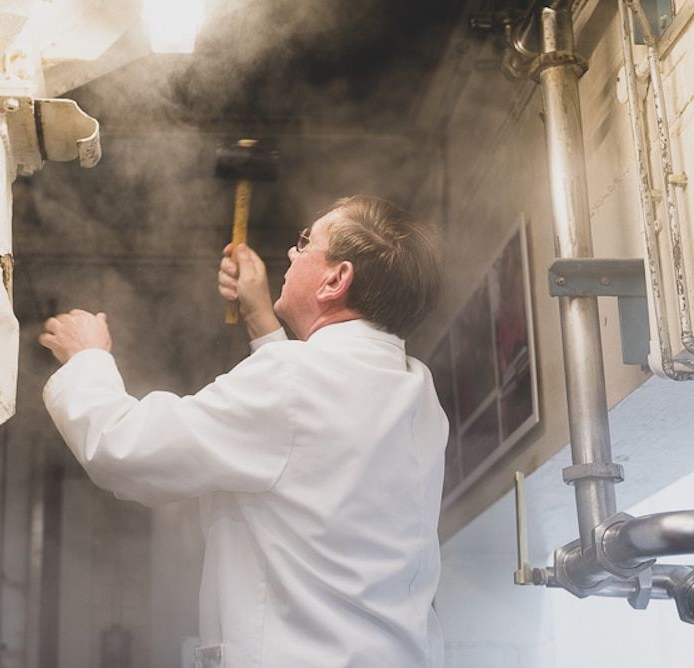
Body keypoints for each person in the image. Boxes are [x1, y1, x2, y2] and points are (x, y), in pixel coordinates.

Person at [39, 194, 447, 667]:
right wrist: (261, 319)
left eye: (305, 242)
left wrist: (87, 357)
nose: (292, 254)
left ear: (336, 279)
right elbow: (302, 445)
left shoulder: (294, 382)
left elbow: (124, 450)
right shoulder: (416, 388)